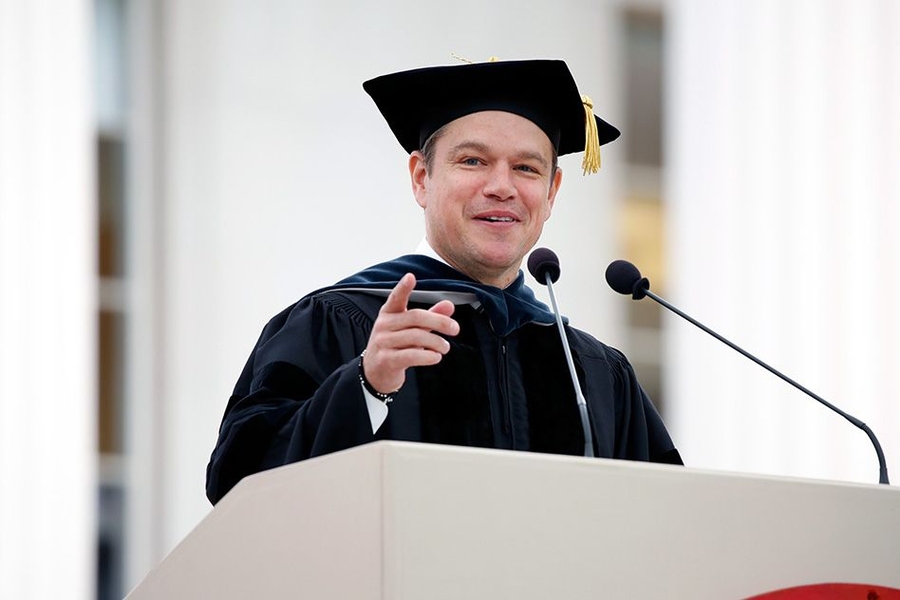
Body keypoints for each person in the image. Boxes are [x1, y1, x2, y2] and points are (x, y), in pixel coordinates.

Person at [205, 59, 682, 505]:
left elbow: (666, 520)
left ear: (552, 192)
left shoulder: (595, 373)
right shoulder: (343, 323)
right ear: (421, 178)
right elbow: (240, 485)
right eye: (473, 161)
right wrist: (365, 387)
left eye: (526, 168)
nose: (502, 186)